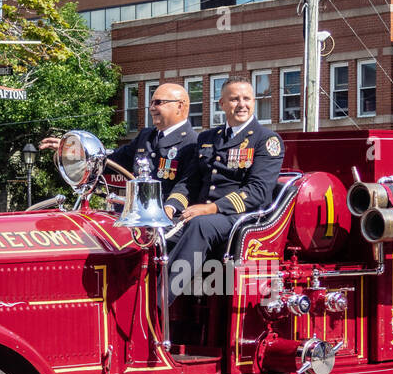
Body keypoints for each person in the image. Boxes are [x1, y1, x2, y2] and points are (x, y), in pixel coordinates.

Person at [166, 78, 284, 285]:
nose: (241, 104)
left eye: (247, 99)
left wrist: (211, 209)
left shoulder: (266, 140)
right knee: (158, 231)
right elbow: (189, 182)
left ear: (254, 102)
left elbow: (257, 191)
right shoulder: (207, 138)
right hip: (200, 215)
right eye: (234, 99)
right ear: (221, 104)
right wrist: (170, 207)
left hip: (241, 217)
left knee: (200, 226)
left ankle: (156, 307)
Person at [42, 82, 199, 216]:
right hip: (131, 212)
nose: (151, 108)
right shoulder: (146, 136)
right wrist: (74, 152)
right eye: (150, 103)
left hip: (167, 217)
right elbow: (111, 162)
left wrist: (170, 208)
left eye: (158, 102)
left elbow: (187, 185)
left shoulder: (193, 142)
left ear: (179, 106)